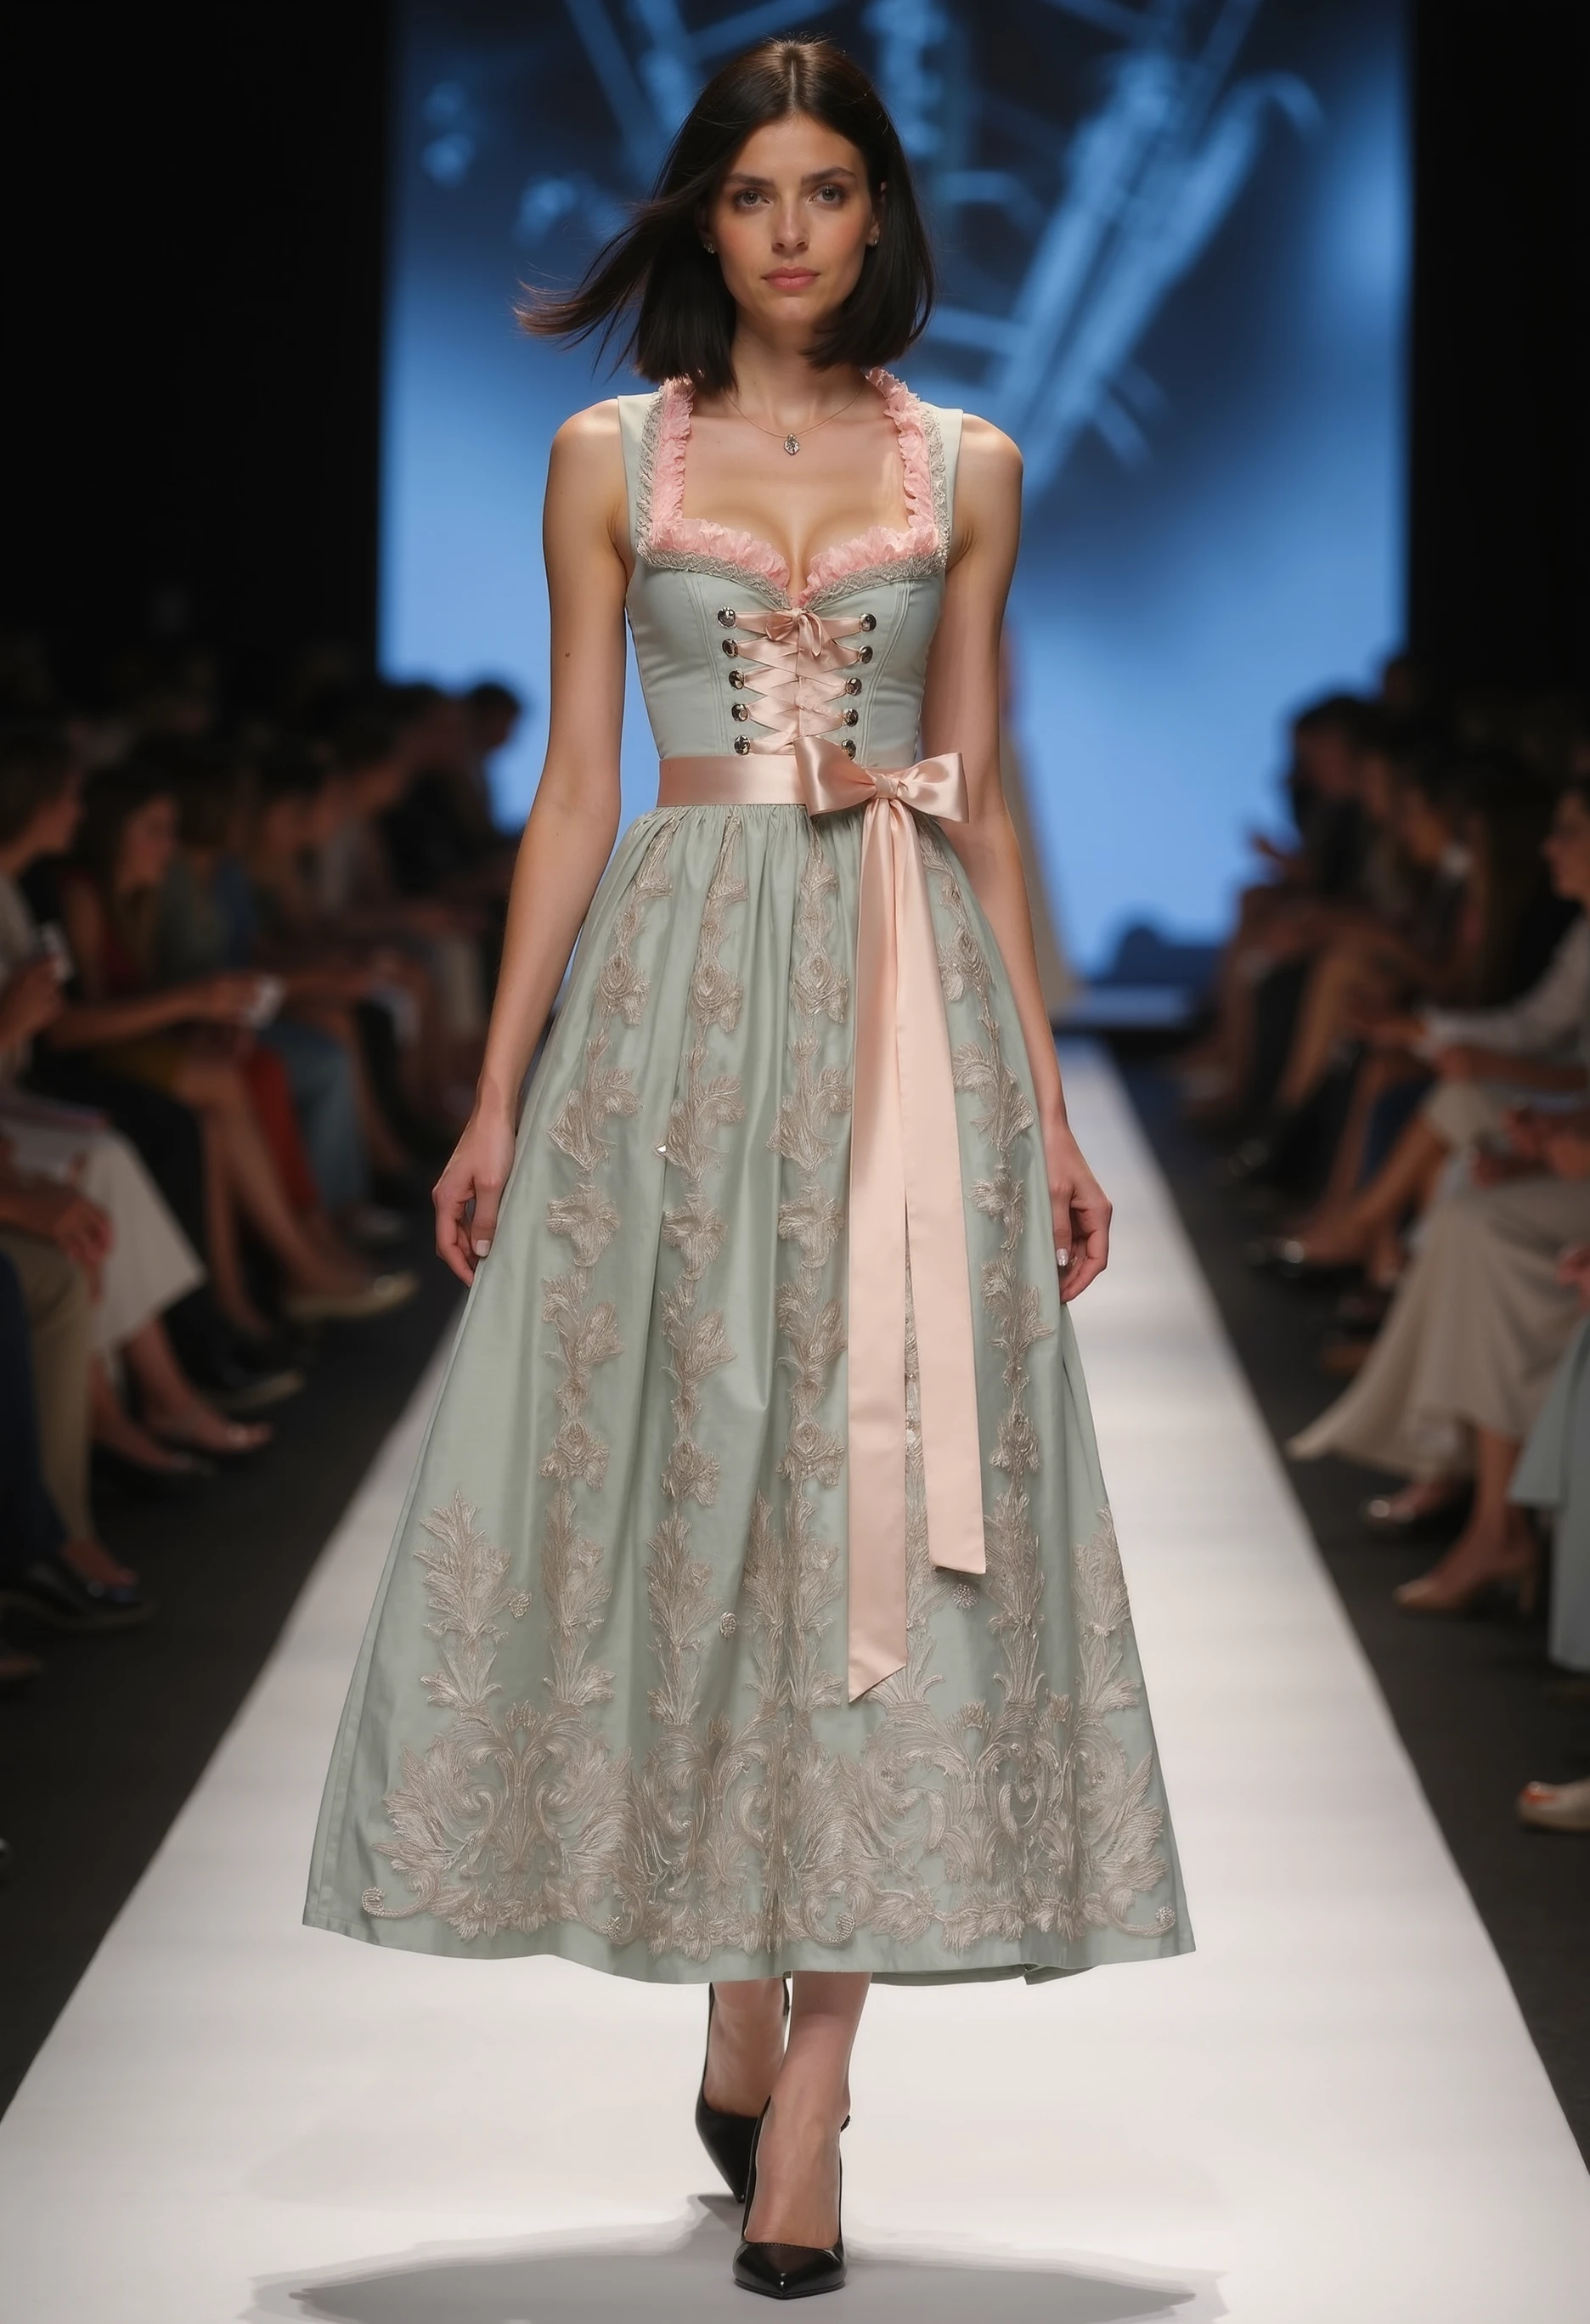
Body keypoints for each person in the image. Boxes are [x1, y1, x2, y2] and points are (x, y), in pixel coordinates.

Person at [304, 40, 1190, 2303]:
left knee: (885, 1505)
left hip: (908, 1000)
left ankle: (817, 2085)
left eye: (830, 192)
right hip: (678, 1016)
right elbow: (576, 786)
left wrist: (1050, 1107)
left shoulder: (970, 464)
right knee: (702, 1493)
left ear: (881, 213)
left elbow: (982, 790)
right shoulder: (610, 456)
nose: (793, 232)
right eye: (754, 194)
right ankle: (731, 1969)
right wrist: (496, 1092)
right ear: (704, 218)